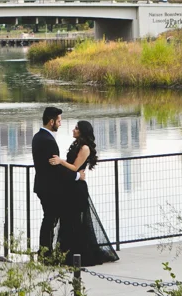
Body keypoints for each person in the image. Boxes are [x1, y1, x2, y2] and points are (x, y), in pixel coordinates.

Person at [49, 121, 119, 266]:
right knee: (67, 220)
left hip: (77, 189)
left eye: (76, 128)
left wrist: (60, 161)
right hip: (70, 186)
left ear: (82, 131)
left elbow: (75, 167)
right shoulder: (76, 145)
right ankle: (67, 253)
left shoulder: (85, 148)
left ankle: (79, 254)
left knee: (77, 221)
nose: (73, 130)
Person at [32, 107, 84, 259]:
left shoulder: (37, 137)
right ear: (51, 121)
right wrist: (76, 176)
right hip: (50, 188)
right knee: (50, 220)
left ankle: (46, 252)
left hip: (42, 185)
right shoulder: (48, 141)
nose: (60, 124)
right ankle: (47, 254)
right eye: (59, 121)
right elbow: (56, 169)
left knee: (49, 219)